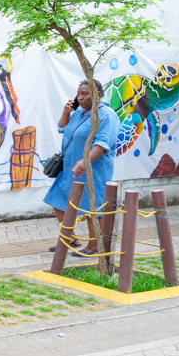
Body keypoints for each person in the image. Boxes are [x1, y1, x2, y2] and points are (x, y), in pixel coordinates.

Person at [44, 79, 117, 256]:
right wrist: (66, 112)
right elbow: (62, 127)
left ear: (98, 94)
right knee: (58, 200)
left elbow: (102, 143)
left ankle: (94, 246)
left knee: (93, 206)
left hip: (93, 170)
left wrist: (85, 162)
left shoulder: (106, 115)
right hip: (70, 168)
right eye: (79, 94)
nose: (81, 97)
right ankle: (70, 238)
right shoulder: (79, 112)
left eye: (85, 93)